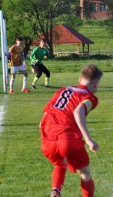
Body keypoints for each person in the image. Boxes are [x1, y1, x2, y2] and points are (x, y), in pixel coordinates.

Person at [40, 63, 103, 197]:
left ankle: (55, 191)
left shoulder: (62, 90)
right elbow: (78, 111)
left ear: (80, 80)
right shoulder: (90, 97)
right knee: (85, 173)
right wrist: (88, 140)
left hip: (48, 138)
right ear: (96, 85)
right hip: (68, 138)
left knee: (61, 163)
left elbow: (43, 119)